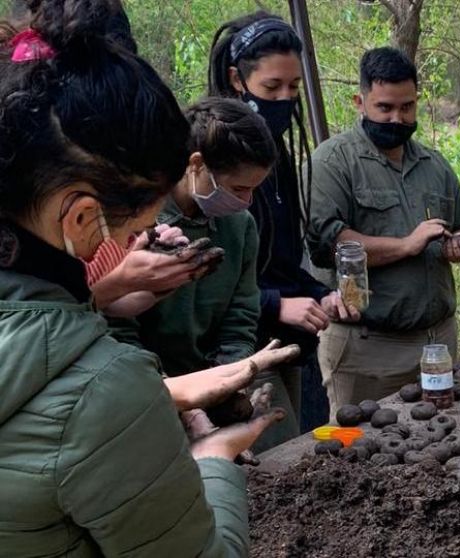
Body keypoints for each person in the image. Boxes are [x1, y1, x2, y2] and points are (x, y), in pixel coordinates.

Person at [0, 1, 284, 554]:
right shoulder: (103, 389)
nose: (145, 242)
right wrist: (211, 464)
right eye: (142, 226)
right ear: (82, 219)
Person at [111, 97, 301, 452]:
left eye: (254, 190)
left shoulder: (240, 226)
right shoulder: (137, 223)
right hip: (148, 395)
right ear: (196, 164)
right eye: (239, 189)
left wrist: (232, 379)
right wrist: (187, 405)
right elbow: (119, 331)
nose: (246, 201)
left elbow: (241, 314)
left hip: (217, 383)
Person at [308, 47, 460, 417]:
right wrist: (406, 245)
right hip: (368, 349)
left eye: (407, 108)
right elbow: (329, 244)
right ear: (360, 101)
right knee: (361, 455)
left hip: (437, 344)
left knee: (444, 445)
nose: (397, 118)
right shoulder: (331, 162)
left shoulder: (435, 165)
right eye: (385, 108)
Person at [209, 12, 340, 432]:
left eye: (294, 87)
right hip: (240, 354)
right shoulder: (212, 163)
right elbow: (210, 280)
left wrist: (320, 293)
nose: (285, 98)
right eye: (272, 87)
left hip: (294, 346)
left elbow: (279, 262)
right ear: (236, 80)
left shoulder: (278, 154)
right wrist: (276, 304)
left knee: (317, 447)